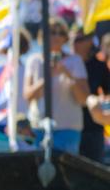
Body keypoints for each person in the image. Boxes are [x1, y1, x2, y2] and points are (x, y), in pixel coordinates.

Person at [24, 17, 89, 153]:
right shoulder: (34, 61)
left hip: (68, 128)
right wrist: (48, 77)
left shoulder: (75, 61)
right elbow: (28, 96)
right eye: (52, 32)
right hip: (39, 127)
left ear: (66, 37)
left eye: (61, 33)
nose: (56, 36)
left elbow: (83, 100)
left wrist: (67, 74)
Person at [71, 24, 110, 163]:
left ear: (89, 41)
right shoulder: (65, 64)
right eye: (73, 40)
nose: (75, 44)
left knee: (93, 167)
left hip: (92, 127)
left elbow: (107, 98)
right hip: (68, 125)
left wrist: (99, 106)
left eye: (79, 40)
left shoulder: (99, 66)